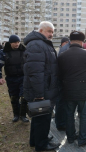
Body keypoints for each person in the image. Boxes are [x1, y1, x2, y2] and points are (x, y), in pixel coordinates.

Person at [23, 21, 60, 151]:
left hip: (45, 88)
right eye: (48, 31)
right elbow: (35, 72)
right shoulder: (37, 45)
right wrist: (39, 94)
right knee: (42, 119)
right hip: (42, 90)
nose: (51, 34)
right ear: (40, 31)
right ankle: (41, 145)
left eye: (52, 32)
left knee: (38, 118)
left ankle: (35, 140)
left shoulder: (42, 44)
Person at [58, 31, 86, 146]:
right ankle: (83, 139)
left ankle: (70, 137)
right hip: (84, 89)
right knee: (85, 115)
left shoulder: (62, 55)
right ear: (82, 42)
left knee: (69, 114)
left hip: (68, 89)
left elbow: (59, 73)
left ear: (70, 41)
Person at [0, 35, 29, 122]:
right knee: (14, 97)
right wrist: (0, 77)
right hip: (11, 78)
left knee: (24, 97)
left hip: (23, 77)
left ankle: (23, 115)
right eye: (15, 42)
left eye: (18, 42)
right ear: (10, 43)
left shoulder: (24, 50)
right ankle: (16, 114)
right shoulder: (3, 52)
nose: (17, 44)